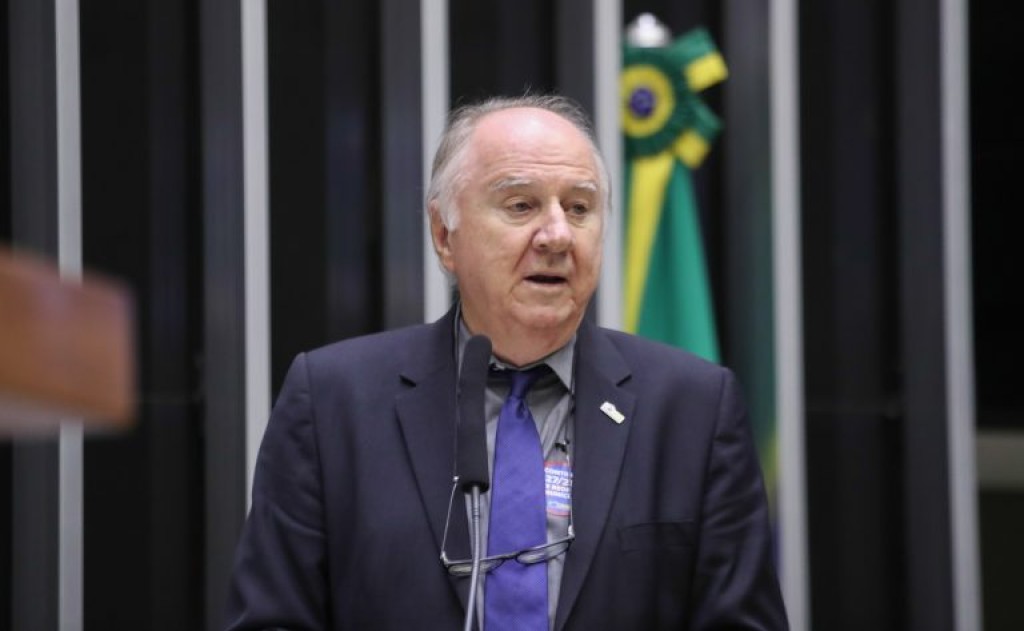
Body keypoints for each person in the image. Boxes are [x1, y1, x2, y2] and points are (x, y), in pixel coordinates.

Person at [225, 94, 788, 630]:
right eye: (521, 205)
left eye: (579, 208)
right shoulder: (333, 402)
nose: (557, 235)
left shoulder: (693, 409)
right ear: (444, 235)